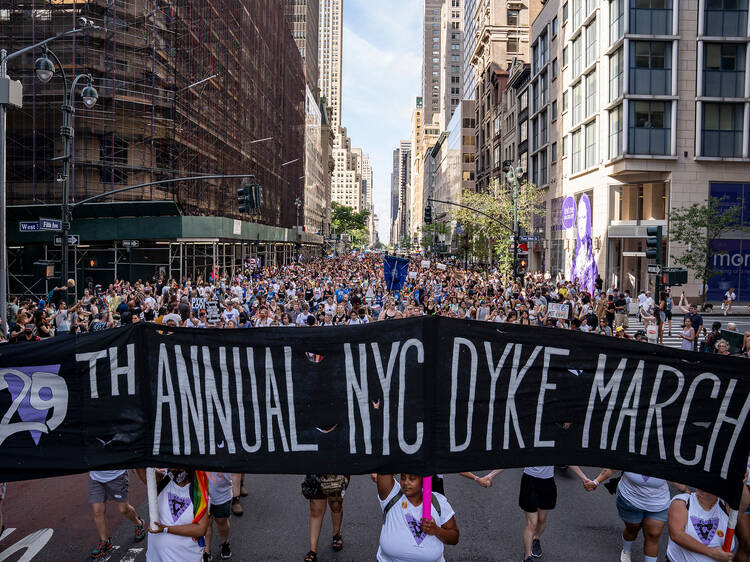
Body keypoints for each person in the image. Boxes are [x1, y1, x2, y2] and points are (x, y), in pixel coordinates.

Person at [483, 466, 592, 562]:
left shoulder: (554, 444)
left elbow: (566, 459)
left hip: (548, 483)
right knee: (532, 524)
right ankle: (527, 557)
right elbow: (512, 459)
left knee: (542, 519)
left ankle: (536, 539)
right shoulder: (528, 443)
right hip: (529, 482)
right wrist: (491, 475)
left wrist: (584, 478)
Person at [587, 469, 689, 562]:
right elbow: (610, 469)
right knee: (632, 529)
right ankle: (626, 550)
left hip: (658, 503)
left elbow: (673, 474)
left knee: (653, 535)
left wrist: (687, 492)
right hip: (630, 500)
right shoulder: (631, 450)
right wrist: (596, 482)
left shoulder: (663, 454)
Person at [375, 473, 458, 562]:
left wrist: (437, 530)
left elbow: (454, 537)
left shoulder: (439, 502)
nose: (406, 483)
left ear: (424, 480)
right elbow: (384, 469)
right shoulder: (391, 495)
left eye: (412, 478)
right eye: (403, 478)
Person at [136, 468, 210, 562]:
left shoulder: (199, 493)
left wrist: (166, 529)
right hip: (155, 557)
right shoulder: (163, 480)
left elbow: (200, 529)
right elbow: (143, 470)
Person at [88, 470, 147, 558]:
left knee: (123, 509)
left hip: (117, 476)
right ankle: (105, 541)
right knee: (97, 511)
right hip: (96, 478)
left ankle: (139, 523)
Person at [666, 489, 735, 561]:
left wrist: (741, 481)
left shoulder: (726, 506)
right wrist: (713, 553)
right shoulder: (683, 501)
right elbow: (677, 535)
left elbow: (744, 501)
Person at [305, 474, 349, 562]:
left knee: (335, 505)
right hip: (315, 468)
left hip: (337, 467)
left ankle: (336, 534)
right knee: (316, 510)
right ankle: (312, 550)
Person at [204, 472, 232, 561]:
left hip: (221, 491)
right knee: (205, 523)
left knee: (221, 521)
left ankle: (225, 543)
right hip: (201, 490)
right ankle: (206, 551)